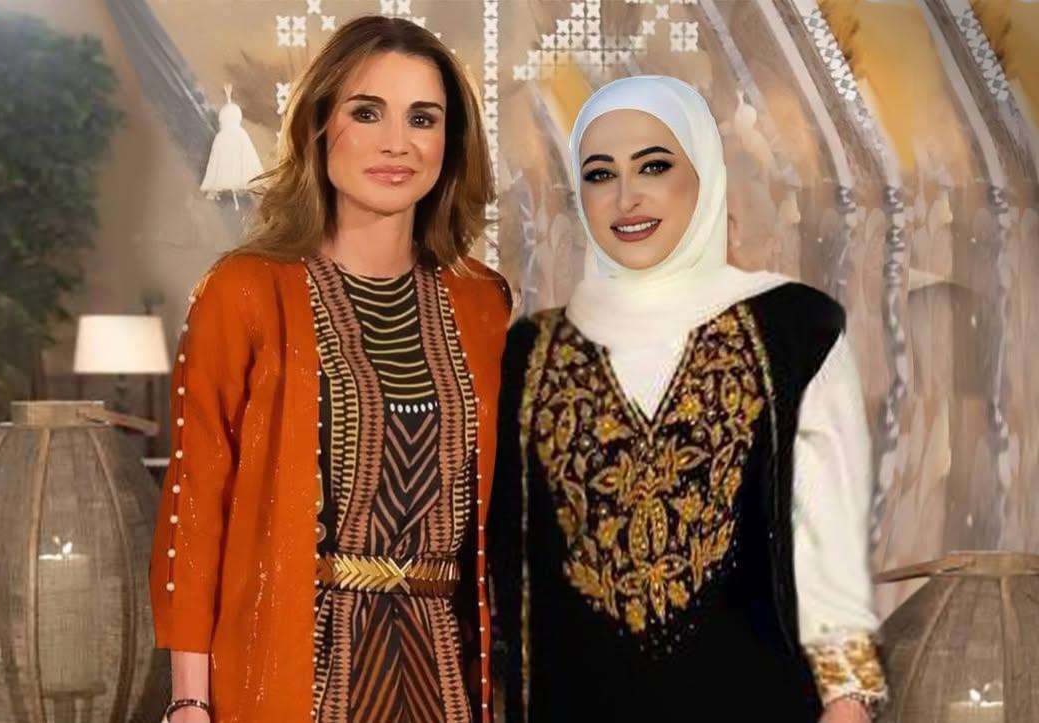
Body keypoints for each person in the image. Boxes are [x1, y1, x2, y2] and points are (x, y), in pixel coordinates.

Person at [488, 75, 887, 722]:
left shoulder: (794, 330)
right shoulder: (530, 353)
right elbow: (508, 561)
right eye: (599, 174)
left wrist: (847, 700)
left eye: (654, 166)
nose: (626, 196)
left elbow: (827, 544)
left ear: (703, 174)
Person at [150, 16, 510, 723]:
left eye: (423, 119)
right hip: (291, 667)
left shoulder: (484, 303)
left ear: (452, 142)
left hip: (444, 674)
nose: (396, 142)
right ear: (318, 125)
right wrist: (189, 699)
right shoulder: (243, 290)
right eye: (367, 112)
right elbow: (195, 504)